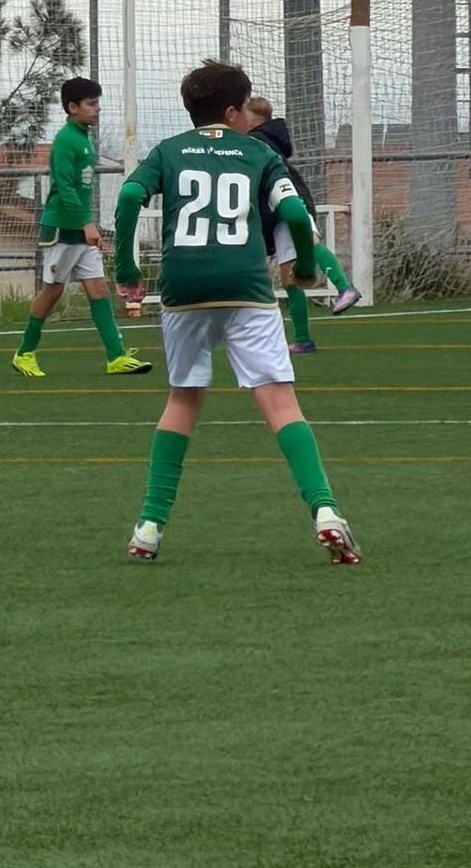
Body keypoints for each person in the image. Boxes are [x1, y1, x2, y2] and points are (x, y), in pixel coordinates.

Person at [114, 61, 359, 565]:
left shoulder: (168, 151)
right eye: (247, 107)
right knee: (280, 405)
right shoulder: (258, 153)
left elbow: (130, 195)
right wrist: (305, 267)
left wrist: (127, 268)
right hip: (245, 288)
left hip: (184, 289)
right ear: (232, 111)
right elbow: (294, 215)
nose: (250, 115)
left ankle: (149, 527)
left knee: (182, 401)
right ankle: (325, 512)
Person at [12, 77, 153, 378]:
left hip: (80, 228)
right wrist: (87, 223)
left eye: (97, 103)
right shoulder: (66, 139)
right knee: (52, 291)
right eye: (91, 104)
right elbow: (63, 186)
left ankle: (115, 356)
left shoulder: (84, 137)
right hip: (62, 229)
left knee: (98, 289)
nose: (97, 109)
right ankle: (24, 352)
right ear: (72, 107)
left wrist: (88, 224)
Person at [244, 96, 362, 354]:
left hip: (290, 201)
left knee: (309, 241)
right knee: (289, 278)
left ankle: (345, 287)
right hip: (277, 211)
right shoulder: (266, 139)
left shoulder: (257, 140)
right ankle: (303, 339)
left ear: (254, 120)